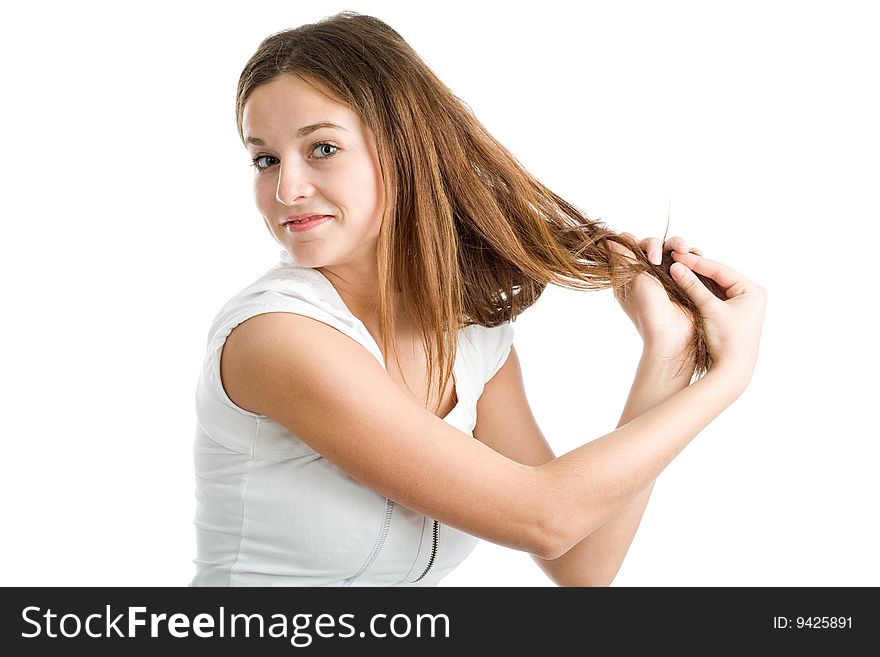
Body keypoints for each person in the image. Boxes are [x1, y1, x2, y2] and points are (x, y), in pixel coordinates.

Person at [190, 11, 766, 587]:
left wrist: (668, 357)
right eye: (265, 159)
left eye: (321, 149)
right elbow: (544, 517)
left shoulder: (470, 334)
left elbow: (581, 564)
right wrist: (727, 378)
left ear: (404, 149)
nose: (287, 189)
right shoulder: (276, 337)